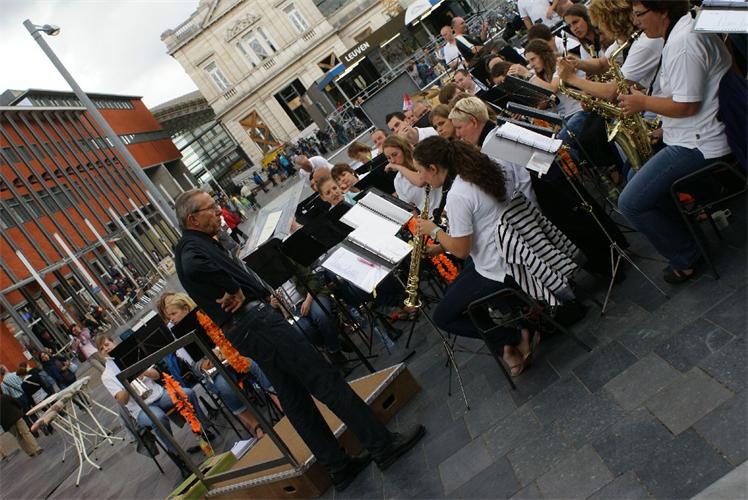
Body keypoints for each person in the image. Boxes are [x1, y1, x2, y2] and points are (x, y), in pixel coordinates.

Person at [173, 188, 425, 491]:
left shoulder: (198, 242)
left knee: (293, 398)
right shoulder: (190, 248)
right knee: (324, 379)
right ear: (193, 219)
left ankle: (338, 466)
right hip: (257, 324)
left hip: (249, 328)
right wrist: (229, 286)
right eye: (211, 207)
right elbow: (195, 266)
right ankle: (382, 445)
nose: (218, 210)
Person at [617, 0, 733, 283]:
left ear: (663, 10)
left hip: (701, 142)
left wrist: (643, 102)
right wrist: (662, 128)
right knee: (634, 176)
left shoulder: (682, 43)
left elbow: (687, 106)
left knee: (629, 203)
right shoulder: (680, 33)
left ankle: (687, 256)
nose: (636, 22)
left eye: (640, 14)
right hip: (694, 133)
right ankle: (688, 241)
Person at [412, 137, 539, 376]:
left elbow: (461, 251)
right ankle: (508, 343)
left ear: (433, 168)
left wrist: (434, 230)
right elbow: (479, 226)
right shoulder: (478, 168)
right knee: (457, 295)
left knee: (443, 317)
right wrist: (440, 247)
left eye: (420, 171)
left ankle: (512, 339)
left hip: (500, 267)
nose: (421, 178)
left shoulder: (458, 195)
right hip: (516, 249)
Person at [160, 292, 276, 438]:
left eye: (173, 314)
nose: (171, 319)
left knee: (255, 364)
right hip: (215, 370)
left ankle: (279, 400)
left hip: (233, 354)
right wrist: (204, 364)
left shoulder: (206, 311)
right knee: (224, 386)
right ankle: (255, 425)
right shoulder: (179, 334)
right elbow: (194, 366)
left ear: (185, 308)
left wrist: (224, 348)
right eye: (169, 316)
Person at [97, 334, 213, 453]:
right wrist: (128, 380)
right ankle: (176, 452)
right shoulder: (107, 375)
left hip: (159, 395)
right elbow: (123, 400)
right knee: (158, 418)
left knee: (187, 393)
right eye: (101, 348)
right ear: (101, 354)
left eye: (106, 344)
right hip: (140, 408)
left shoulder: (132, 356)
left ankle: (202, 431)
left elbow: (157, 375)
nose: (105, 349)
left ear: (114, 342)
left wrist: (144, 372)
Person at [382, 135, 442, 212]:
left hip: (446, 205)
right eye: (389, 158)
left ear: (404, 150)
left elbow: (420, 181)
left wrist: (399, 167)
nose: (392, 161)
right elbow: (410, 209)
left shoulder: (421, 158)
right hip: (430, 215)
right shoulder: (398, 181)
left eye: (395, 154)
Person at [0, 389, 42, 457]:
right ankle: (36, 448)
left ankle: (30, 452)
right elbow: (17, 403)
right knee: (26, 433)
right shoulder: (5, 396)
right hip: (16, 417)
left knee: (19, 437)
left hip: (7, 424)